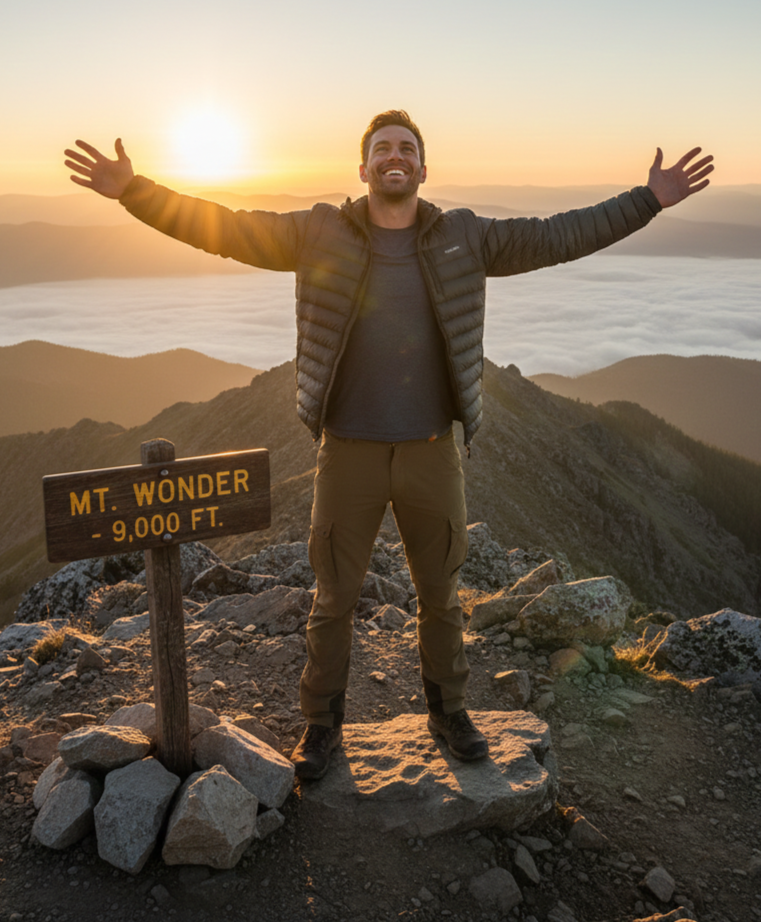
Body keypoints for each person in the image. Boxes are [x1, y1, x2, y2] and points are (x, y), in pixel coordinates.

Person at [64, 111, 713, 779]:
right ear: (363, 168)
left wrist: (647, 201)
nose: (393, 157)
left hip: (432, 449)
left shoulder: (465, 235)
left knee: (441, 593)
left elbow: (557, 236)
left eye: (406, 148)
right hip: (347, 450)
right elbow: (224, 229)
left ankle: (448, 711)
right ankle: (320, 725)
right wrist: (134, 192)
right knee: (334, 596)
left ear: (423, 169)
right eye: (381, 149)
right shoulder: (318, 231)